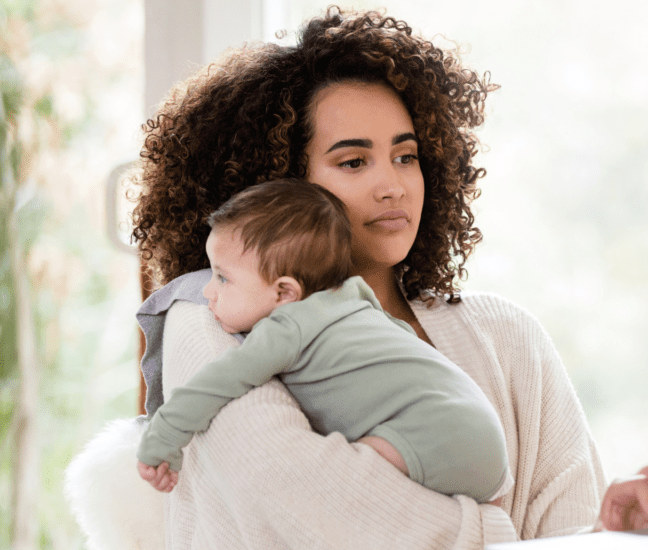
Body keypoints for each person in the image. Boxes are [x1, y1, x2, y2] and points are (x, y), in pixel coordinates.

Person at [73, 7, 648, 550]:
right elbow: (322, 509)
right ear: (280, 186)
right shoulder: (211, 320)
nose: (394, 184)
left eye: (407, 154)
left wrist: (607, 537)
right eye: (354, 161)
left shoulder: (506, 336)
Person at [135, 178, 511, 505]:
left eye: (222, 278)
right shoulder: (357, 300)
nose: (207, 291)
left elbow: (214, 384)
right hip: (484, 435)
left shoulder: (287, 327)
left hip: (430, 434)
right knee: (491, 545)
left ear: (284, 293)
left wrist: (162, 439)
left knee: (334, 486)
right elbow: (407, 341)